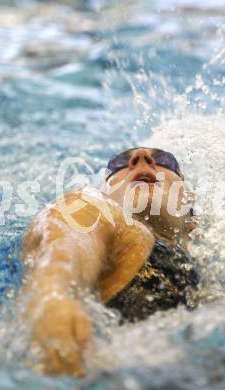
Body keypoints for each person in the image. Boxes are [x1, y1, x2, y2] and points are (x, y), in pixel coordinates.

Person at [22, 147, 201, 377]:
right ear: (105, 194)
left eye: (165, 161)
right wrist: (54, 295)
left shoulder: (210, 276)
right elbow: (66, 239)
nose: (141, 158)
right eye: (120, 163)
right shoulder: (94, 208)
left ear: (190, 218)